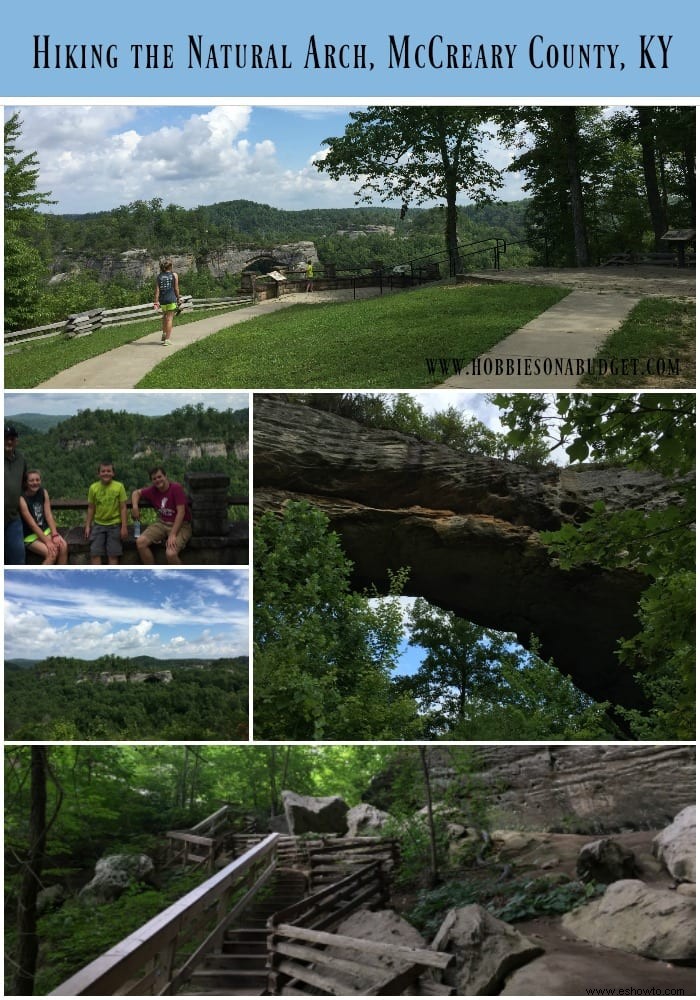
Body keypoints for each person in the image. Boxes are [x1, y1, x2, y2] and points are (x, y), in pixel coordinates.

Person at [131, 466, 192, 565]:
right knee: (140, 542)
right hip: (162, 523)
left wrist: (173, 534)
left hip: (181, 525)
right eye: (154, 479)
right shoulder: (152, 490)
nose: (157, 480)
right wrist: (135, 507)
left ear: (166, 476)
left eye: (159, 477)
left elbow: (181, 512)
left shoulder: (176, 488)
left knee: (170, 554)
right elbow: (136, 493)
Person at [19, 470, 68, 565]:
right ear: (26, 482)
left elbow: (48, 515)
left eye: (37, 480)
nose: (35, 483)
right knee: (52, 553)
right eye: (31, 480)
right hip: (30, 536)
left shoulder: (43, 492)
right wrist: (47, 542)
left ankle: (61, 575)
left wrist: (54, 534)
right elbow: (32, 525)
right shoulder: (22, 498)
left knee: (63, 546)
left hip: (45, 530)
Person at [85, 461, 128, 565]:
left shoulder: (119, 486)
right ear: (99, 474)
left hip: (115, 525)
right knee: (95, 554)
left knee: (113, 556)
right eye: (103, 471)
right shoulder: (93, 488)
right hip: (98, 524)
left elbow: (123, 508)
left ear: (113, 473)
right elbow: (91, 508)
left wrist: (124, 527)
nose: (106, 473)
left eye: (109, 471)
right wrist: (87, 525)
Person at [4, 424, 27, 564]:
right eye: (5, 438)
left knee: (18, 559)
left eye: (12, 438)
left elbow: (25, 482)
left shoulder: (21, 459)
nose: (9, 441)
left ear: (16, 440)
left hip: (13, 518)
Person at [153, 259, 181, 345]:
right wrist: (178, 297)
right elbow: (176, 288)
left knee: (165, 316)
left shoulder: (159, 276)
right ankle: (167, 340)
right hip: (171, 299)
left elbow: (157, 290)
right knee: (169, 319)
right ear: (170, 266)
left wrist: (156, 302)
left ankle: (164, 333)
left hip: (163, 300)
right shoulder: (174, 275)